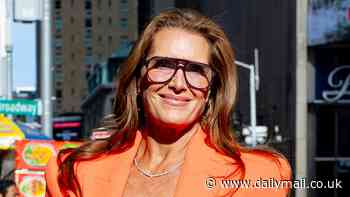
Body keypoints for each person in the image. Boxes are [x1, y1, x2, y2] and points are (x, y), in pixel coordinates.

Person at [45, 8, 292, 197]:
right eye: (163, 65)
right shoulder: (72, 171)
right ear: (139, 76)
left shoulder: (257, 175)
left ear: (211, 90)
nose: (178, 83)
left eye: (195, 70)